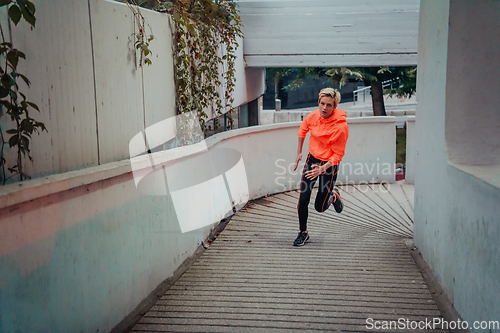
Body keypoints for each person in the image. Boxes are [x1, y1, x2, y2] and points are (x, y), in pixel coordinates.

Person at [292, 88, 349, 246]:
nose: (324, 108)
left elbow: (337, 155)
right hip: (312, 160)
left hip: (329, 165)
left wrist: (322, 169)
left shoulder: (340, 127)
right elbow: (303, 130)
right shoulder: (313, 116)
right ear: (318, 102)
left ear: (335, 106)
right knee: (303, 199)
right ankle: (303, 233)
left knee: (320, 207)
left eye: (329, 105)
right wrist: (299, 153)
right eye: (322, 103)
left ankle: (333, 196)